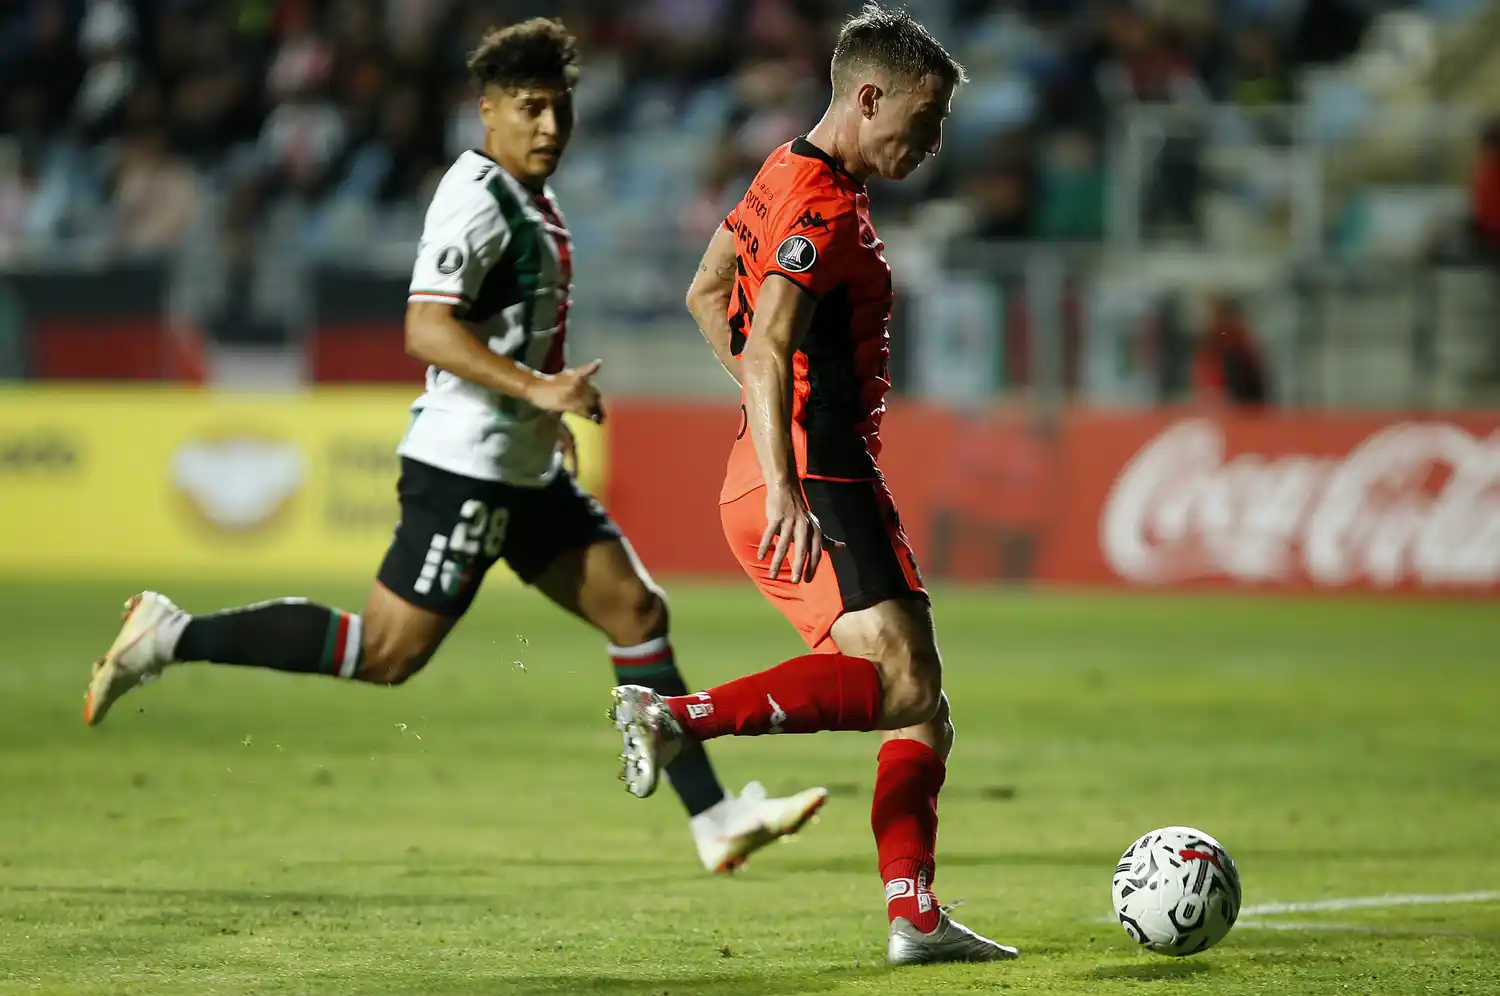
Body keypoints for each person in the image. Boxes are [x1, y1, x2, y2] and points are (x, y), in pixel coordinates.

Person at [84, 17, 826, 877]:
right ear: (487, 112)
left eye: (561, 110)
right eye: (531, 109)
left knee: (636, 611)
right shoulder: (474, 198)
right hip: (467, 470)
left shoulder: (530, 199)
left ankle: (716, 820)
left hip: (520, 464)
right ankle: (170, 635)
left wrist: (540, 413)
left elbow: (502, 327)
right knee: (387, 654)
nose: (550, 127)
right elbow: (426, 328)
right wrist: (539, 391)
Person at [610, 2, 1018, 965]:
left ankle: (914, 914)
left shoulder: (778, 174)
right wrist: (788, 462)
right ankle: (675, 718)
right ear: (868, 96)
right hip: (814, 475)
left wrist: (771, 413)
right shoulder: (824, 207)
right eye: (922, 121)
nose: (930, 144)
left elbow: (707, 293)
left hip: (776, 469)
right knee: (906, 682)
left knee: (919, 704)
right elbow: (770, 344)